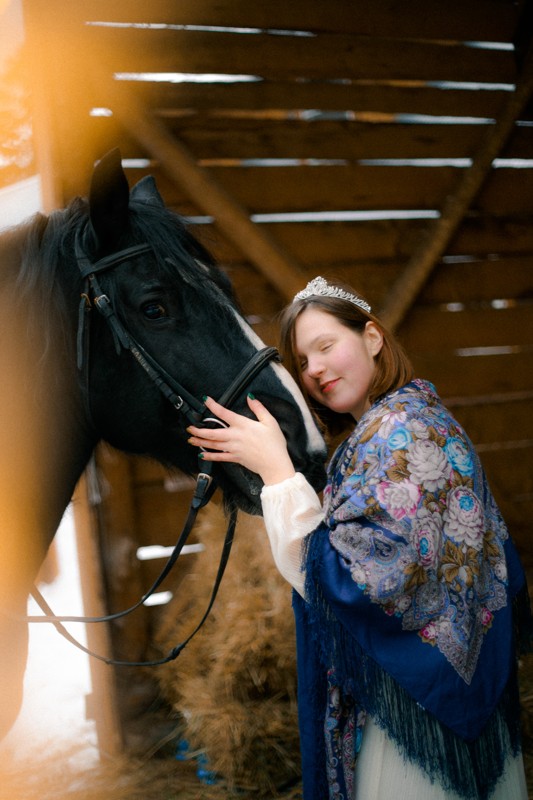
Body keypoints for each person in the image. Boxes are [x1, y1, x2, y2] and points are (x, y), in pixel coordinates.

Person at [187, 276, 531, 800]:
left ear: (372, 338)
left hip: (416, 719)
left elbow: (354, 585)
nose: (316, 369)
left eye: (326, 346)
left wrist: (278, 474)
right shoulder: (407, 420)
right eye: (303, 361)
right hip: (428, 706)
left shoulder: (398, 432)